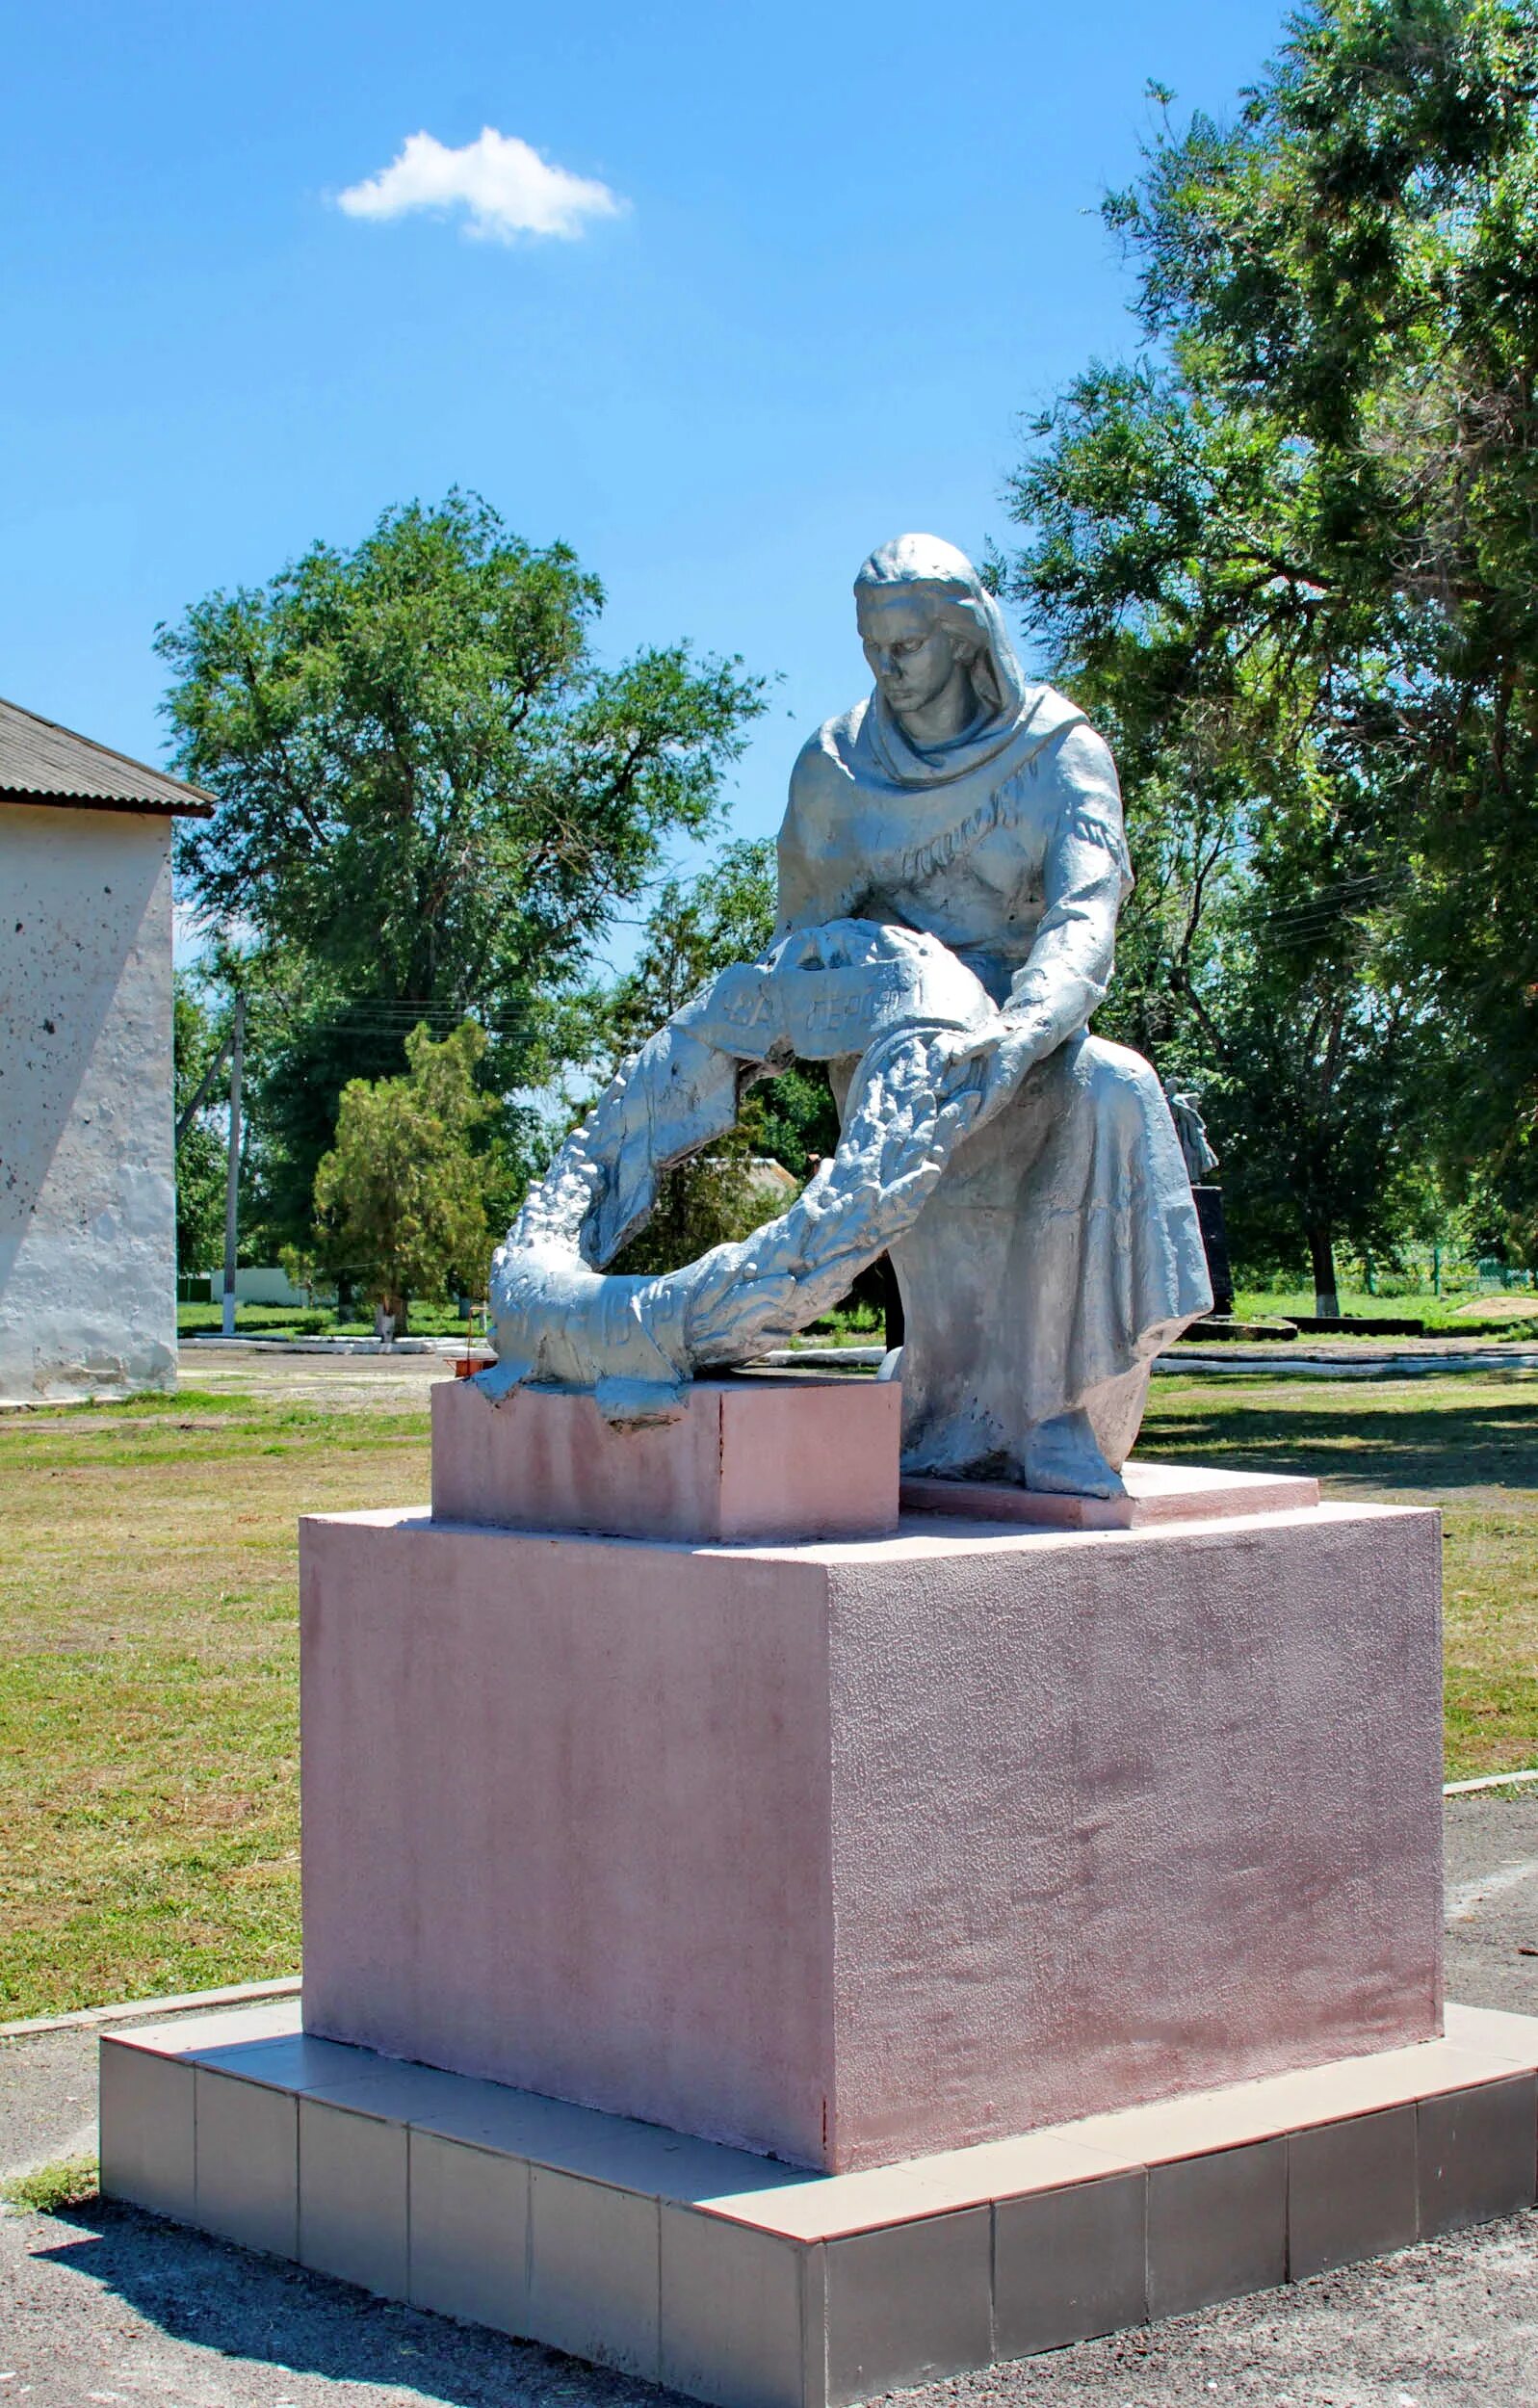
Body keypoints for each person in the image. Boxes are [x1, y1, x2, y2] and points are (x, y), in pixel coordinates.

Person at [775, 534, 1210, 1495]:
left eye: (907, 646)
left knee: (1115, 1084)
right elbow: (799, 942)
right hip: (903, 1052)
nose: (887, 668)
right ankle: (944, 1397)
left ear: (965, 638)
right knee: (920, 1094)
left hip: (1030, 1038)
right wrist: (881, 999)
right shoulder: (835, 768)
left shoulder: (1059, 753)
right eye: (870, 646)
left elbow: (1085, 914)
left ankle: (1058, 1410)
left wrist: (1018, 1033)